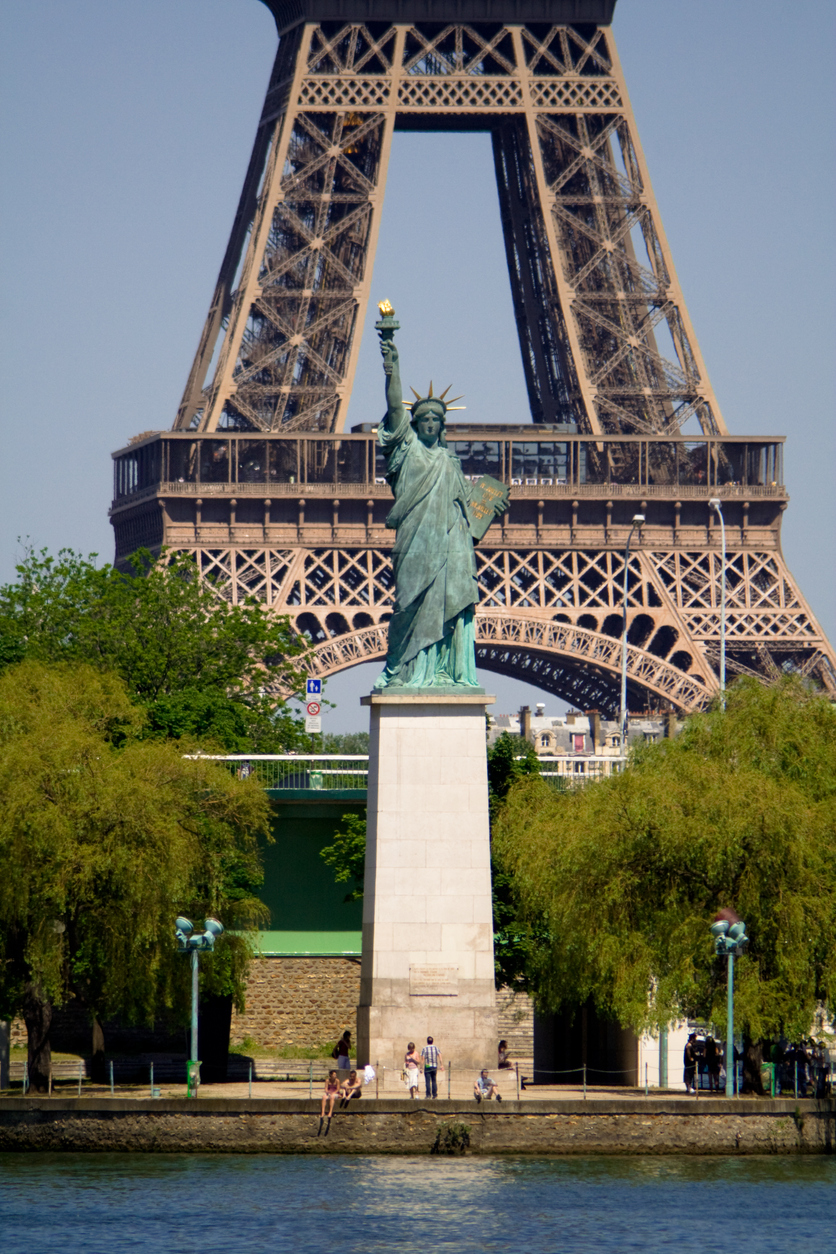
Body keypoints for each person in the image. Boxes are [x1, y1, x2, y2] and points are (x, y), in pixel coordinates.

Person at [373, 314, 508, 689]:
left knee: (452, 605)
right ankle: (406, 670)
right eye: (424, 417)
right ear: (414, 424)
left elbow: (467, 513)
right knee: (408, 607)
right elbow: (394, 405)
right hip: (415, 542)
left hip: (451, 548)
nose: (430, 422)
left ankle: (444, 672)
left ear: (443, 424)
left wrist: (489, 510)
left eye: (437, 418)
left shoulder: (451, 461)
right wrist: (391, 364)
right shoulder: (407, 447)